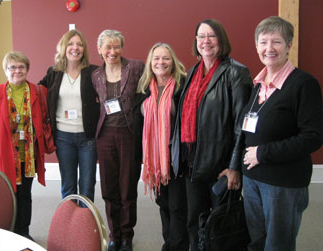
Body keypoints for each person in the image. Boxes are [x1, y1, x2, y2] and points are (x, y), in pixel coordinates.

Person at [241, 16, 323, 251]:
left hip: (282, 183)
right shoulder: (257, 84)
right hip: (253, 178)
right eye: (263, 42)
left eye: (276, 42)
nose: (269, 48)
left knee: (278, 245)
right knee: (256, 242)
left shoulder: (304, 84)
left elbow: (313, 137)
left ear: (289, 46)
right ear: (256, 46)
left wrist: (262, 154)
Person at [170, 19, 252, 251]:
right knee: (194, 221)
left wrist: (235, 167)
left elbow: (241, 126)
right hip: (192, 163)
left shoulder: (237, 73)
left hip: (220, 165)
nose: (206, 41)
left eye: (211, 36)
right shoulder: (193, 71)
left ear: (221, 40)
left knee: (220, 226)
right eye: (201, 36)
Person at [0, 51, 48, 240]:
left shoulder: (37, 92)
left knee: (25, 195)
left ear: (27, 69)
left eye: (21, 67)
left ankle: (23, 232)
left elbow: (45, 120)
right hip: (3, 159)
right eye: (12, 67)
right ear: (5, 70)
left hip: (29, 158)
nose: (17, 71)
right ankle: (7, 233)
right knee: (5, 197)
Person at [91, 29, 144, 251]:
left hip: (129, 134)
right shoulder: (95, 76)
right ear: (100, 50)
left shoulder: (136, 68)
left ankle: (127, 235)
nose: (112, 51)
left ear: (122, 47)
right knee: (109, 188)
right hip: (105, 137)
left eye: (116, 46)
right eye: (108, 47)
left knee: (127, 187)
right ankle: (114, 235)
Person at [137, 43, 189, 251]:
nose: (161, 62)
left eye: (165, 58)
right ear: (151, 62)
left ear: (173, 61)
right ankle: (169, 243)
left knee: (177, 206)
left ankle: (178, 246)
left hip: (177, 156)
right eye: (156, 58)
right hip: (154, 159)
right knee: (163, 203)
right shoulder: (144, 88)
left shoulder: (182, 85)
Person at [39, 29, 99, 202]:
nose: (75, 48)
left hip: (87, 138)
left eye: (79, 44)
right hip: (63, 137)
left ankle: (86, 224)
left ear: (84, 49)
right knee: (68, 184)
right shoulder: (54, 72)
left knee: (87, 185)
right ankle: (70, 225)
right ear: (63, 47)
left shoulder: (93, 72)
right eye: (71, 44)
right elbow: (36, 92)